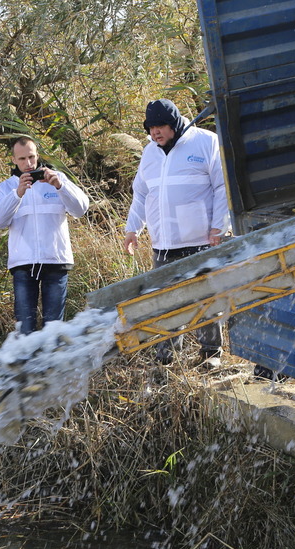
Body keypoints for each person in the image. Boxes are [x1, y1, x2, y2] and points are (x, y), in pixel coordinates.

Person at [123, 99, 229, 368]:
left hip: (200, 240)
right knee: (166, 302)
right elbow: (141, 194)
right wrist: (132, 228)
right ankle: (167, 358)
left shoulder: (205, 142)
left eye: (160, 126)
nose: (155, 132)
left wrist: (220, 224)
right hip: (163, 244)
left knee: (204, 298)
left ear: (174, 124)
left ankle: (210, 354)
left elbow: (222, 186)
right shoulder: (149, 153)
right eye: (150, 128)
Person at [0, 137, 90, 334]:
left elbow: (81, 209)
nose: (28, 164)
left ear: (37, 156)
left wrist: (60, 186)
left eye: (32, 157)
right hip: (23, 264)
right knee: (25, 329)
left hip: (56, 261)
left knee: (53, 330)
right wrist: (17, 193)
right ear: (14, 160)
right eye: (22, 159)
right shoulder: (7, 186)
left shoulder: (57, 178)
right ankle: (27, 363)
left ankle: (52, 364)